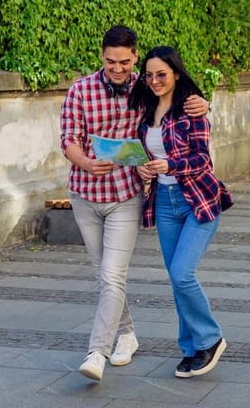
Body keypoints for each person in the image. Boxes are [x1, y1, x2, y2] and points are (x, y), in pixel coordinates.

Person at [60, 26, 208, 382]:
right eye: (111, 61)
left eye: (125, 62)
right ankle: (126, 333)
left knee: (113, 274)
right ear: (101, 56)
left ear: (135, 57)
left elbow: (179, 100)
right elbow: (68, 140)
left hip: (127, 194)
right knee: (104, 275)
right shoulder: (80, 90)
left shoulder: (146, 87)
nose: (117, 68)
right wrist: (86, 163)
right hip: (85, 193)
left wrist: (205, 104)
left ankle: (97, 352)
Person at [131, 46, 233, 378]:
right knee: (176, 279)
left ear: (176, 73)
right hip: (163, 201)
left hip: (198, 200)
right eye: (149, 75)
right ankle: (190, 348)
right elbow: (143, 154)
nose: (154, 80)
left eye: (161, 74)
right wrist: (143, 168)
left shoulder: (191, 108)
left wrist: (170, 165)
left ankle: (211, 338)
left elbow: (202, 159)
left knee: (182, 274)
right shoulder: (145, 109)